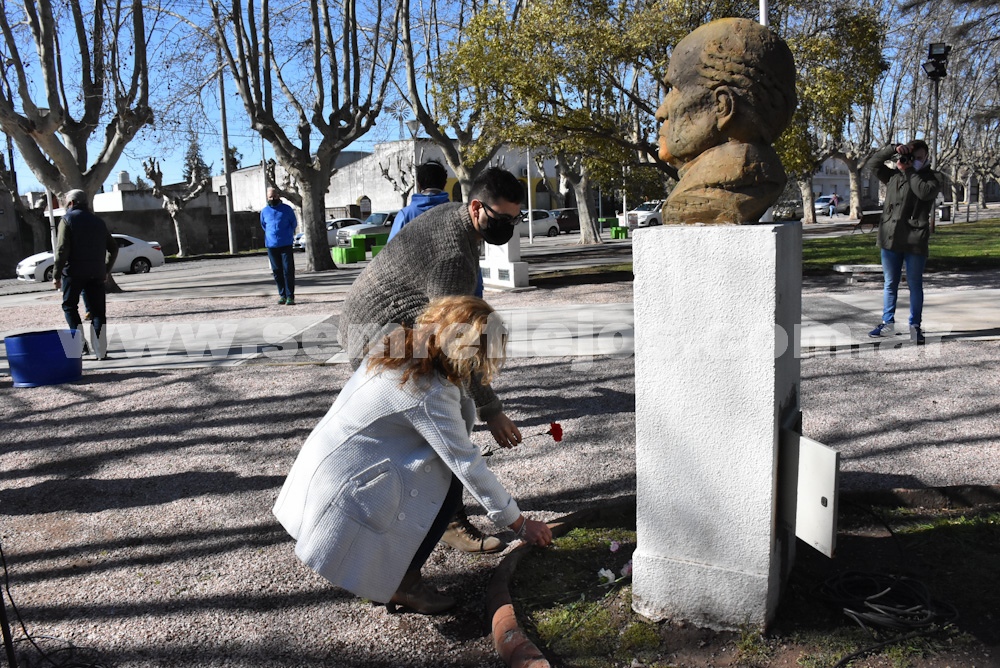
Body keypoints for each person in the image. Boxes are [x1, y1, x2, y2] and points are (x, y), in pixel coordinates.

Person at [274, 296, 552, 614]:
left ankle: (380, 575)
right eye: (481, 354)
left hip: (328, 468)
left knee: (438, 469)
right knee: (446, 481)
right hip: (347, 488)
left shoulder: (402, 346)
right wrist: (518, 523)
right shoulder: (427, 389)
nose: (480, 365)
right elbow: (465, 461)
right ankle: (404, 584)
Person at [338, 167, 524, 554]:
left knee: (452, 412)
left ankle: (429, 513)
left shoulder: (458, 221)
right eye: (502, 219)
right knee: (449, 421)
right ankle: (445, 522)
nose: (508, 227)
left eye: (515, 219)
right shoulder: (452, 253)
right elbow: (457, 344)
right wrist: (492, 409)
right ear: (476, 207)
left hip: (393, 327)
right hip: (377, 334)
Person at [654, 18, 797, 225]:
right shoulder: (765, 176)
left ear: (722, 107)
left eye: (674, 90)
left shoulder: (704, 197)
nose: (661, 112)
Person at [866, 140, 941, 343]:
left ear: (926, 157)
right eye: (910, 156)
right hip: (890, 238)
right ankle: (887, 323)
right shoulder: (893, 177)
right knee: (890, 283)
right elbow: (873, 164)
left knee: (914, 284)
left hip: (914, 239)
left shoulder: (933, 177)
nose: (913, 161)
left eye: (919, 158)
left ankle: (915, 326)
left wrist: (910, 171)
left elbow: (924, 193)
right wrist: (893, 149)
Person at [53, 189, 119, 360]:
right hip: (96, 273)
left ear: (72, 203)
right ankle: (101, 351)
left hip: (73, 272)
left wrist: (56, 274)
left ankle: (80, 346)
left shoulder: (67, 220)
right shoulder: (98, 222)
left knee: (69, 306)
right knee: (98, 313)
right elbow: (113, 248)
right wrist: (105, 269)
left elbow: (61, 250)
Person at [388, 160, 451, 240]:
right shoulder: (457, 212)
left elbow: (390, 249)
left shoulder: (405, 215)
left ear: (418, 185)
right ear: (445, 184)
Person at [261, 187, 298, 305]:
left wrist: (286, 234)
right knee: (277, 271)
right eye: (270, 197)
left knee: (288, 270)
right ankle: (282, 295)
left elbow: (294, 224)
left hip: (285, 244)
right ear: (267, 198)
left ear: (278, 196)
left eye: (274, 196)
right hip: (271, 245)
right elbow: (264, 225)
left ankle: (290, 296)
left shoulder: (287, 209)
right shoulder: (264, 211)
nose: (272, 199)